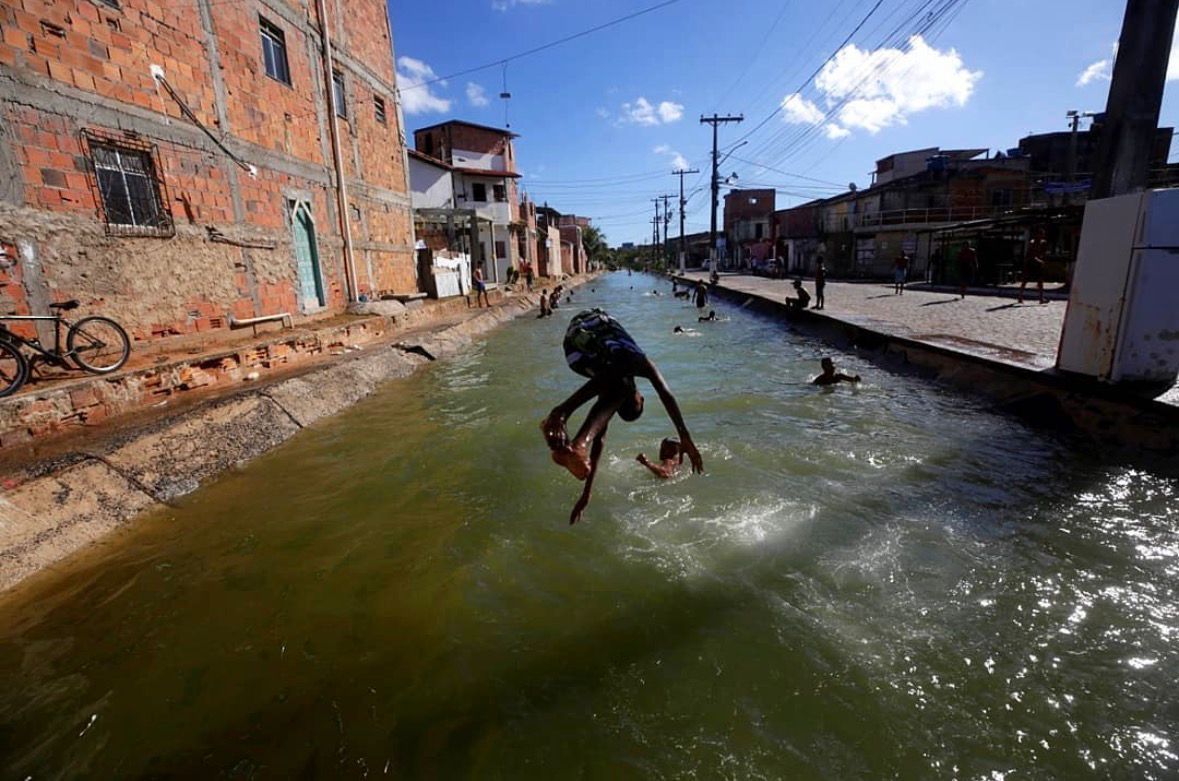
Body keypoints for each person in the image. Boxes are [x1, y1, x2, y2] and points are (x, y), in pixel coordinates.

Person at [542, 309, 703, 524]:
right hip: (591, 328)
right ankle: (562, 414)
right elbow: (666, 394)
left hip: (575, 352)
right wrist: (685, 436)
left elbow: (599, 439)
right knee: (620, 379)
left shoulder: (613, 379)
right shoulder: (638, 361)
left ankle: (576, 444)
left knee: (617, 382)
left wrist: (587, 492)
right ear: (640, 399)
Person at [1020, 228, 1048, 305]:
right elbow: (1031, 255)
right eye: (1040, 234)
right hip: (1030, 263)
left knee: (1040, 281)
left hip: (1037, 264)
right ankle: (1020, 297)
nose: (1042, 235)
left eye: (1043, 234)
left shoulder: (1042, 242)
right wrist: (1039, 260)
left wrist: (1041, 259)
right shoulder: (1032, 243)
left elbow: (1042, 253)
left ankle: (1041, 299)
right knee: (1025, 280)